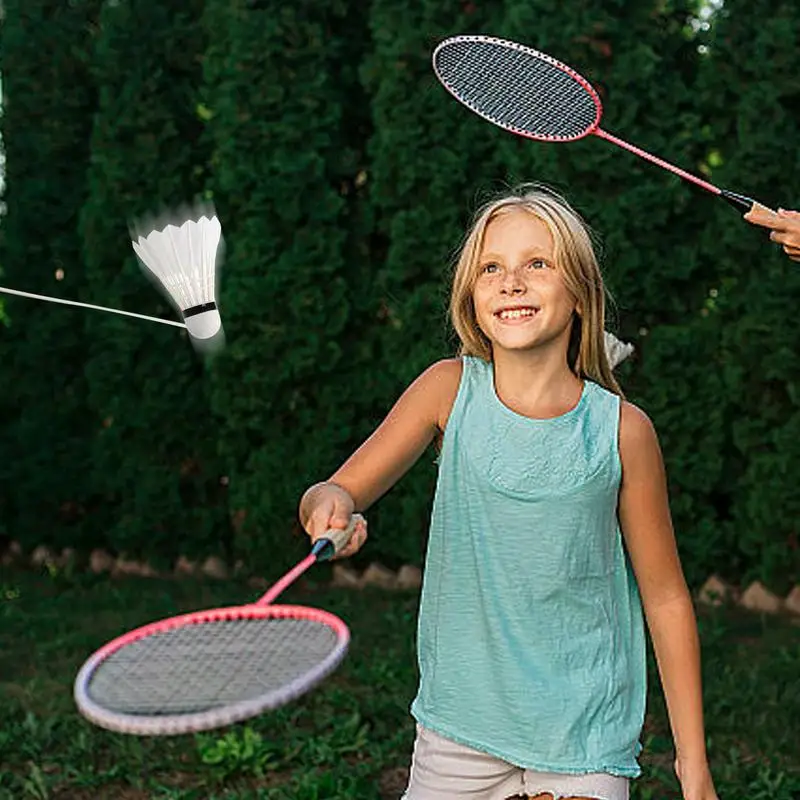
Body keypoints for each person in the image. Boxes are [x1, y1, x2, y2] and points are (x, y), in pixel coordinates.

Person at [299, 185, 719, 800]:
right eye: (491, 267)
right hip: (458, 731)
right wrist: (329, 505)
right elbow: (335, 489)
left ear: (579, 293)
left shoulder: (623, 432)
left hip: (583, 740)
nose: (511, 282)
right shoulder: (447, 392)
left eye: (537, 264)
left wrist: (694, 766)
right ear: (471, 294)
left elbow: (666, 600)